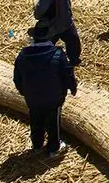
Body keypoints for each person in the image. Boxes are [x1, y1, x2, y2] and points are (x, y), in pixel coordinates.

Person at [13, 25, 77, 159]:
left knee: (35, 119)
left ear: (34, 39)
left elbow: (17, 77)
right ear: (51, 38)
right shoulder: (57, 54)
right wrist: (72, 87)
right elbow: (67, 74)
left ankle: (37, 145)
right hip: (53, 97)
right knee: (53, 121)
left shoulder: (23, 56)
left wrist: (23, 91)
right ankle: (54, 148)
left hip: (32, 97)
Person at [34, 0, 83, 67]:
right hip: (53, 24)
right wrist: (41, 18)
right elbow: (40, 9)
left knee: (74, 42)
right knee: (45, 46)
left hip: (66, 22)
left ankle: (74, 61)